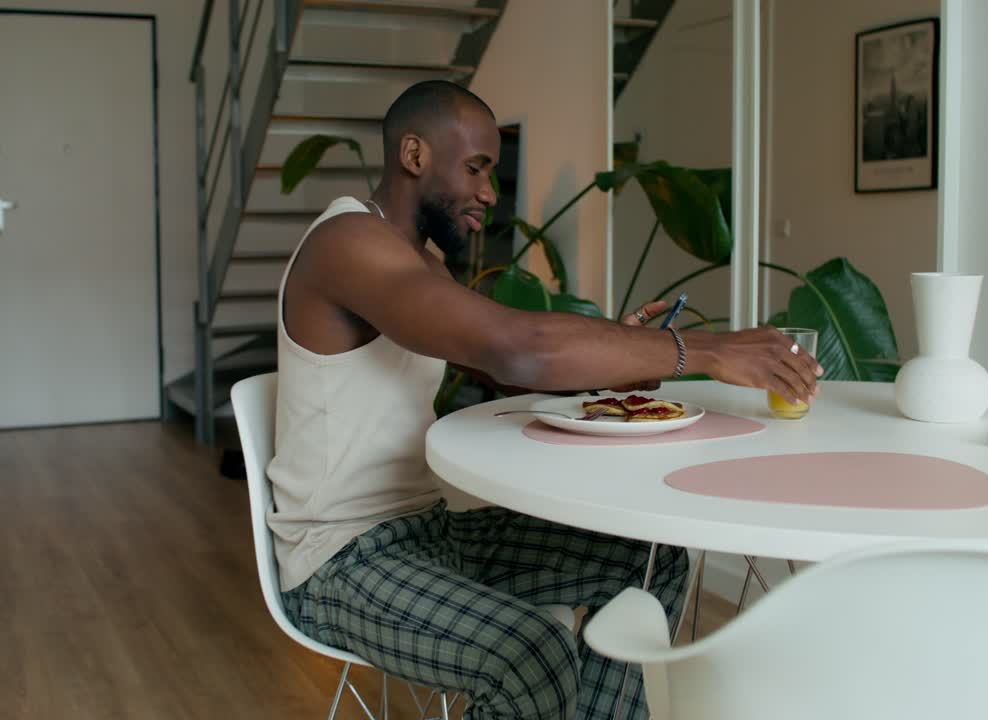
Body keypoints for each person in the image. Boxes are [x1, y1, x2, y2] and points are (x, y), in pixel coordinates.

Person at [268, 80, 821, 720]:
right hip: (343, 562)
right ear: (414, 155)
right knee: (532, 657)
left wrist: (620, 360)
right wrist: (703, 351)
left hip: (432, 532)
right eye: (475, 167)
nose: (488, 193)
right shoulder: (349, 243)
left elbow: (507, 372)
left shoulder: (420, 263)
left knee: (650, 563)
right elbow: (516, 348)